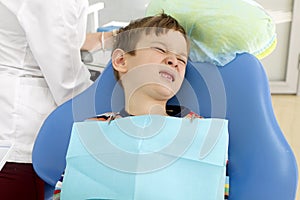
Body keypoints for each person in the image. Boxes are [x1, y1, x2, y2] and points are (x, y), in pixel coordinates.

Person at [53, 13, 229, 199]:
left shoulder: (198, 130)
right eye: (160, 49)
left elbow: (215, 186)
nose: (173, 61)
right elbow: (67, 189)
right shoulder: (95, 128)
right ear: (121, 61)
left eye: (182, 59)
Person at [0, 1, 112, 199]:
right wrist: (113, 112)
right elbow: (68, 83)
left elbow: (46, 34)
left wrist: (107, 38)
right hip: (20, 127)